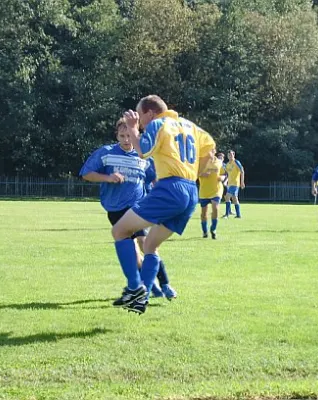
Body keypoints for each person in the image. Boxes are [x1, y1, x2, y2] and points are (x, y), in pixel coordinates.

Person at [111, 95, 215, 314]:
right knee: (150, 245)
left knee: (120, 230)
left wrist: (132, 129)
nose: (140, 124)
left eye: (140, 119)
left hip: (171, 188)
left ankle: (134, 287)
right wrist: (194, 173)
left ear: (150, 113)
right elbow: (210, 151)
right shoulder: (191, 126)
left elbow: (143, 152)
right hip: (190, 190)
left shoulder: (159, 123)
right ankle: (143, 297)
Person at [79, 118, 177, 300]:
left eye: (129, 136)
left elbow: (155, 178)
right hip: (115, 209)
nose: (126, 140)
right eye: (122, 136)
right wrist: (108, 178)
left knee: (145, 243)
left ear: (135, 135)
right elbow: (86, 174)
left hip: (138, 208)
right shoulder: (106, 153)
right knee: (133, 251)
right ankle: (149, 285)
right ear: (116, 135)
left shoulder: (144, 157)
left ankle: (165, 283)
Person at [198, 149, 226, 239]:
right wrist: (202, 174)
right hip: (204, 190)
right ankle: (205, 231)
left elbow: (224, 174)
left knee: (215, 208)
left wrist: (222, 177)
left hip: (216, 189)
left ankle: (213, 229)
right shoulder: (200, 162)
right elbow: (194, 173)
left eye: (212, 150)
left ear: (214, 152)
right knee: (204, 213)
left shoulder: (219, 162)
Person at [222, 150, 245, 218]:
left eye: (231, 155)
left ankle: (227, 214)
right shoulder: (227, 164)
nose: (230, 156)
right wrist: (225, 181)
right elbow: (227, 174)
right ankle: (238, 215)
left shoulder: (236, 162)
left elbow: (242, 171)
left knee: (227, 197)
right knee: (235, 199)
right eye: (229, 155)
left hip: (235, 183)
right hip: (229, 184)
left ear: (234, 155)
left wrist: (242, 182)